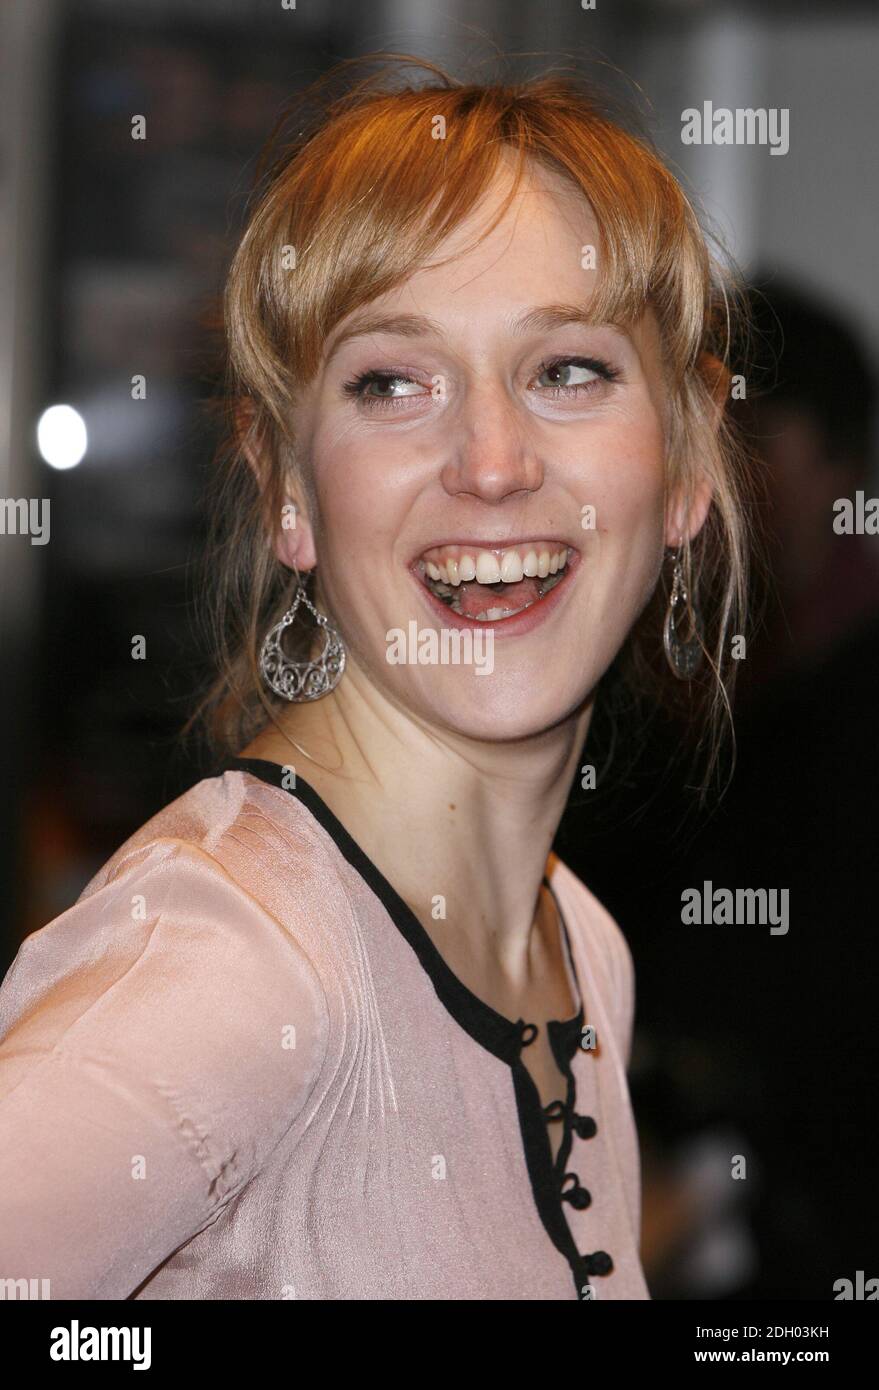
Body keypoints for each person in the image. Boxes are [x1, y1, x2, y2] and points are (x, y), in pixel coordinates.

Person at [0, 55, 751, 1300]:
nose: (493, 462)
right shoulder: (241, 961)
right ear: (288, 490)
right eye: (391, 382)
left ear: (684, 469)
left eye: (569, 369)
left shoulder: (587, 952)